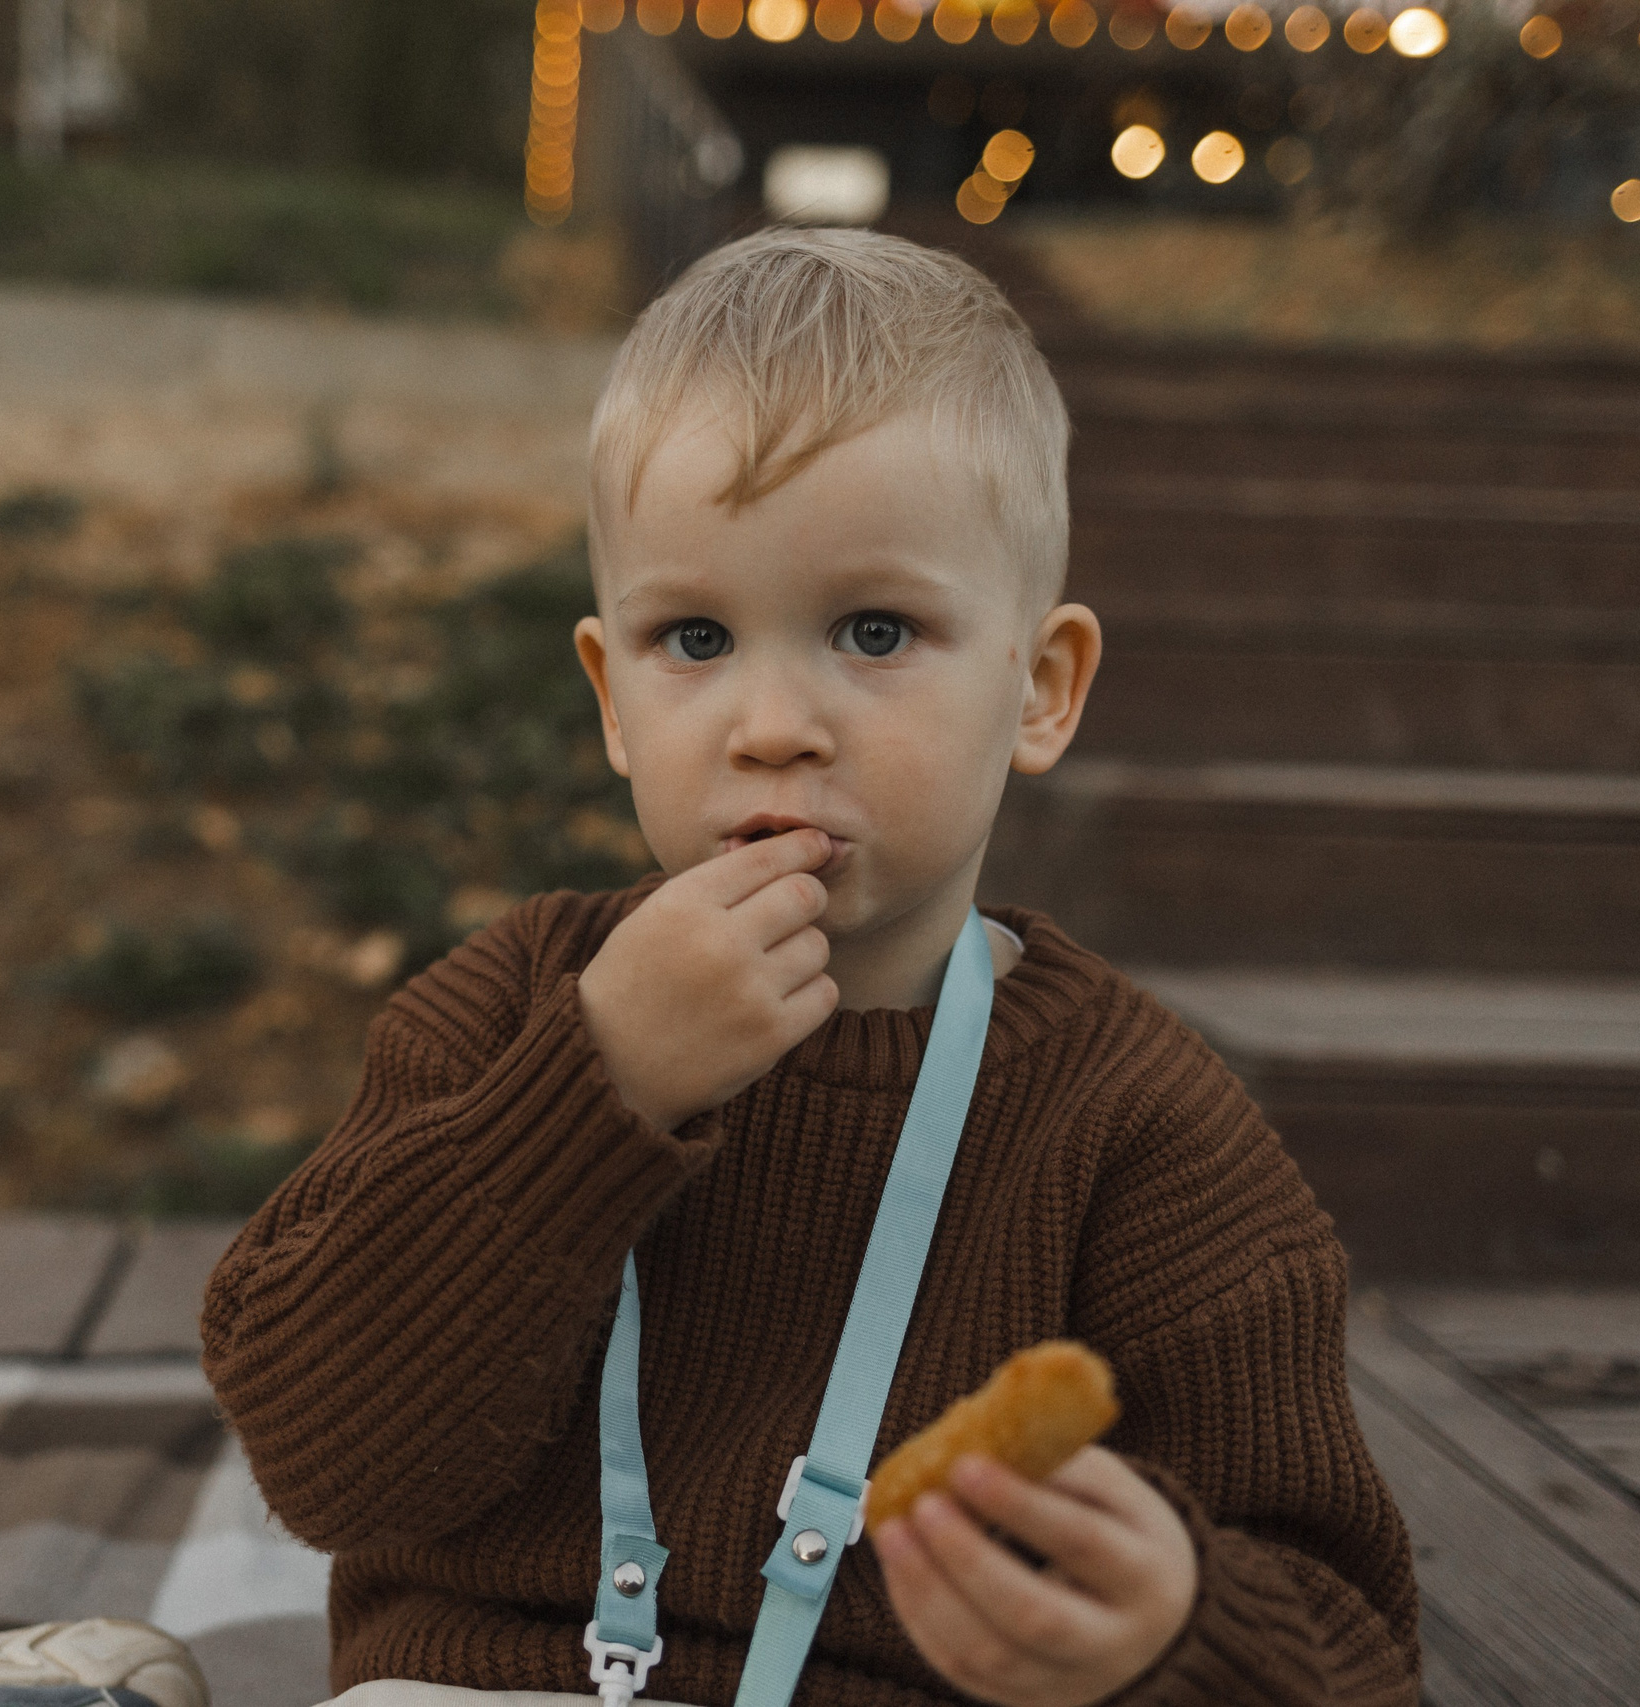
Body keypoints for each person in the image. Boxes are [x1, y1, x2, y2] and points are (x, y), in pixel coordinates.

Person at [198, 228, 1421, 1707]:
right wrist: (589, 1093)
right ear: (609, 697)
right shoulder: (515, 1013)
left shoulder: (1133, 1121)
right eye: (695, 636)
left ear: (1040, 689)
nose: (773, 720)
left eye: (874, 630)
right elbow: (322, 1455)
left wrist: (1178, 1630)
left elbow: (1352, 1644)